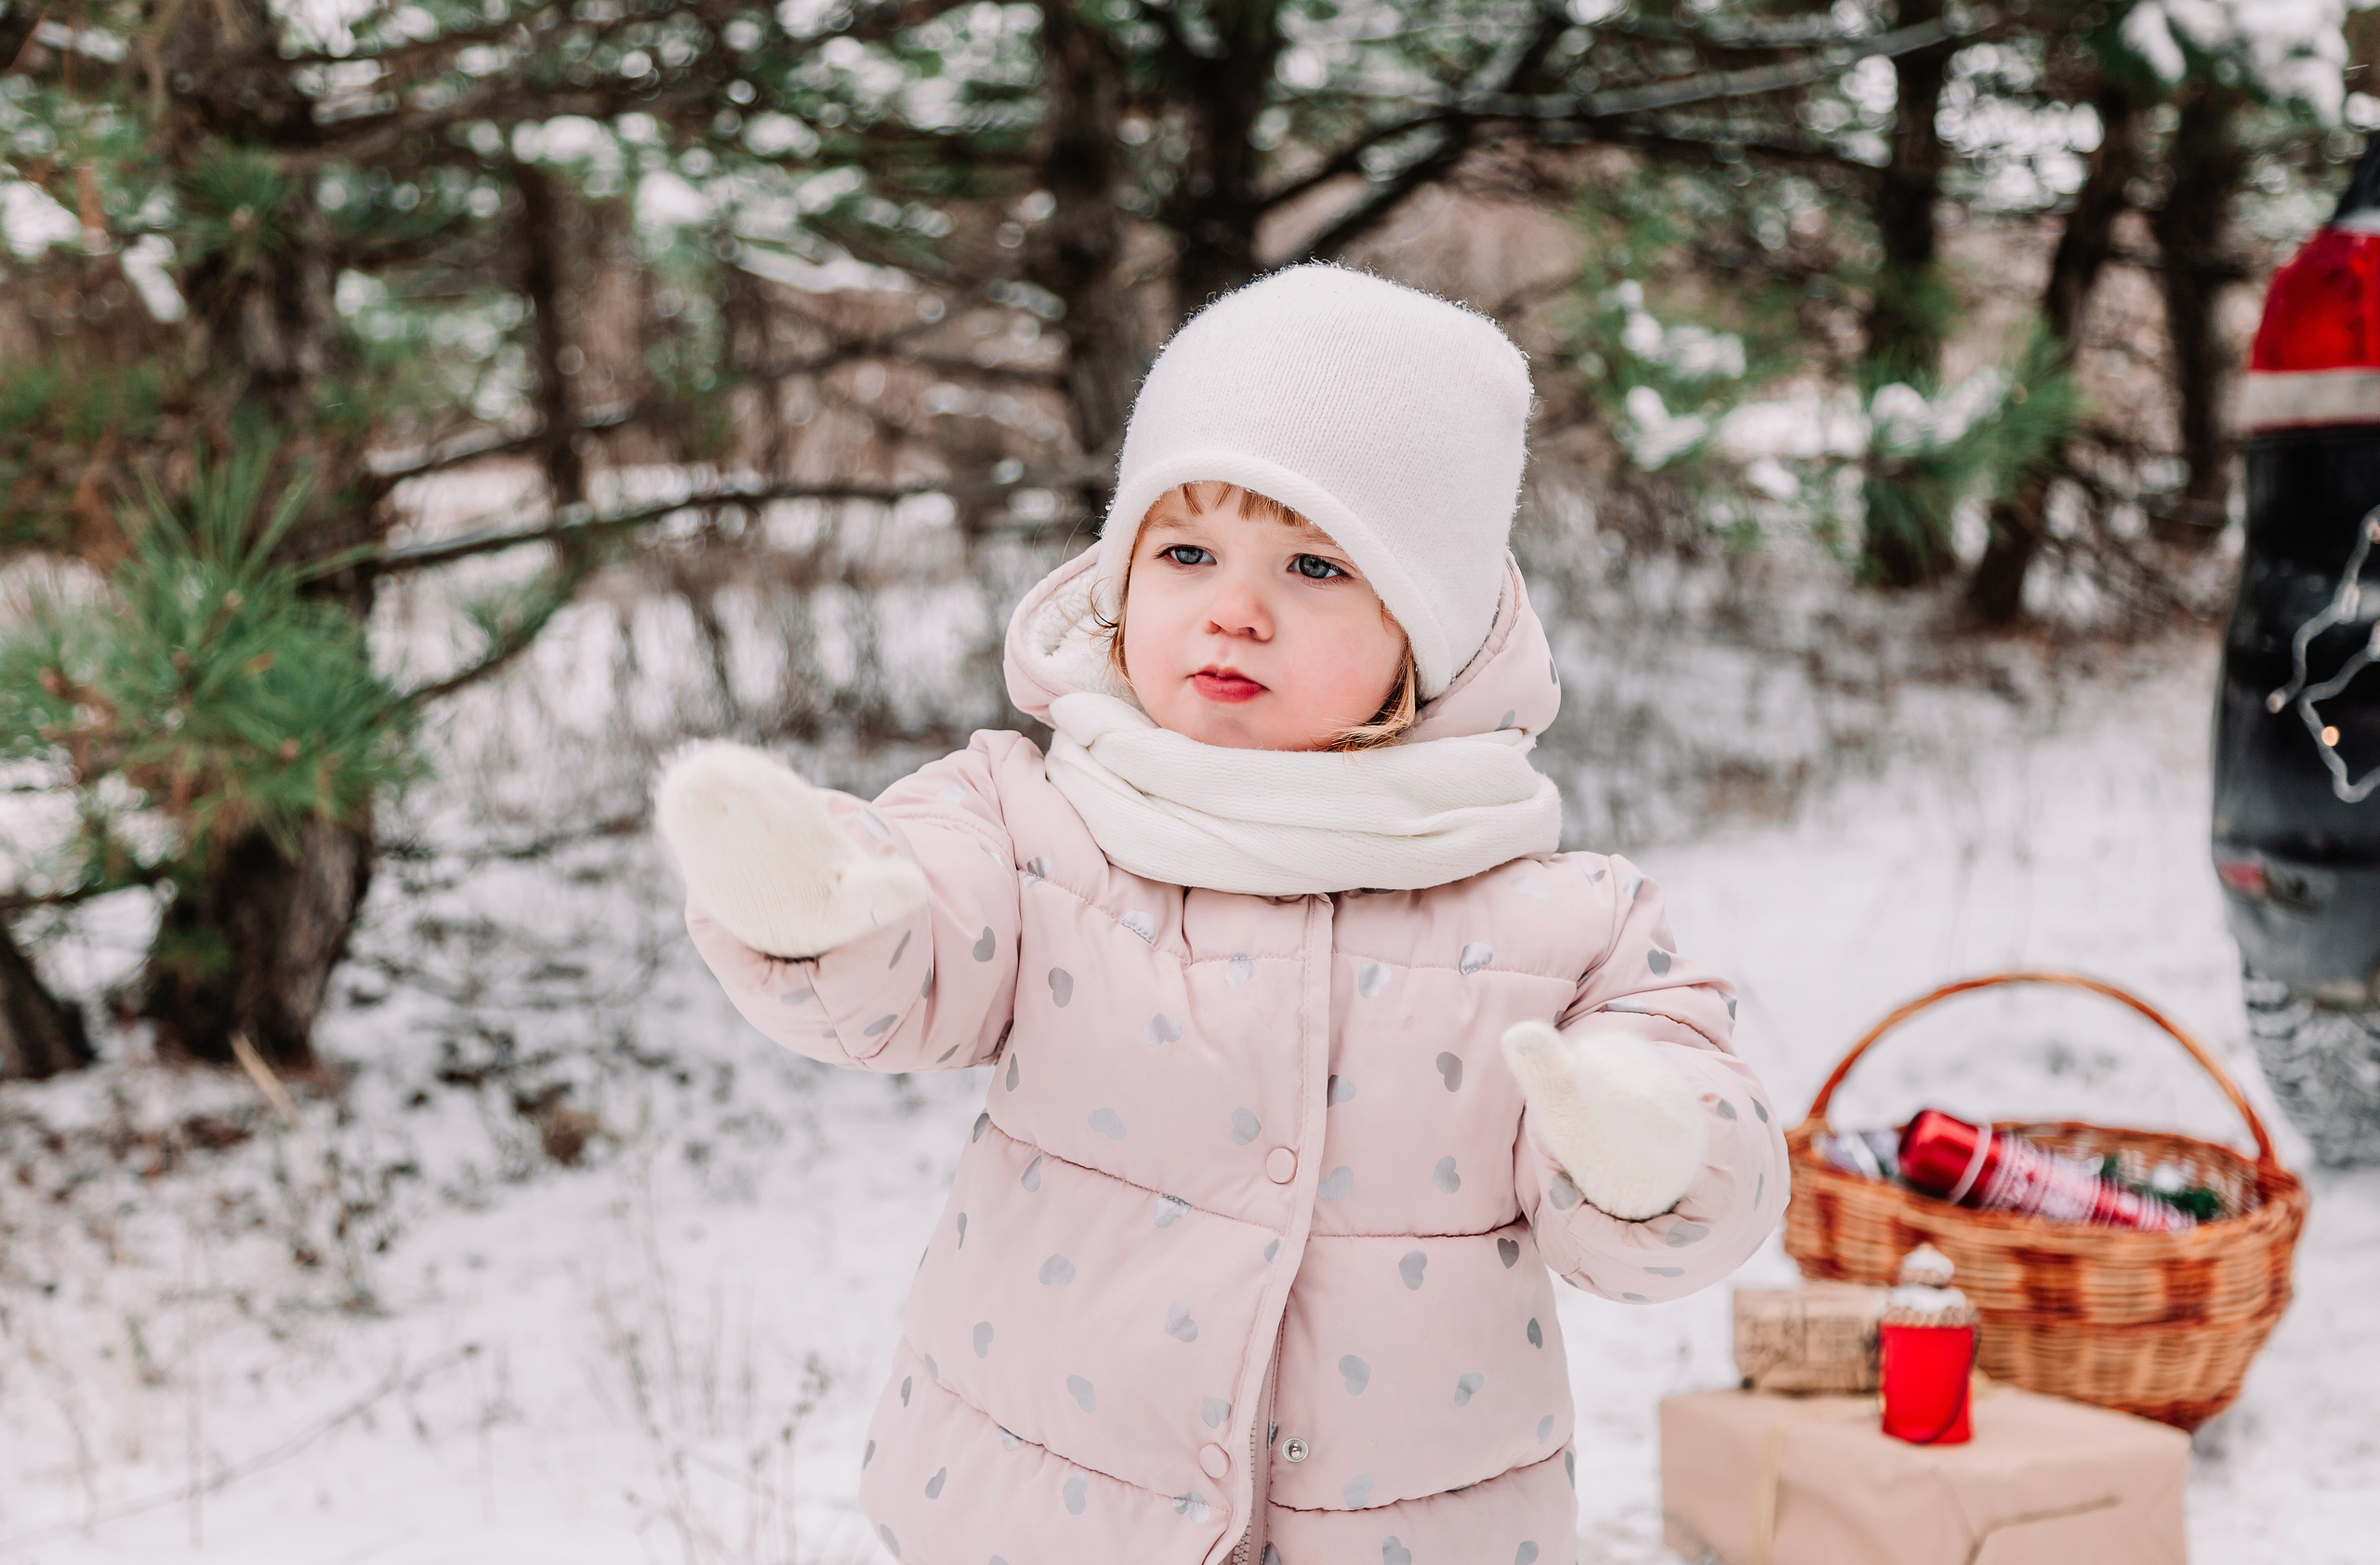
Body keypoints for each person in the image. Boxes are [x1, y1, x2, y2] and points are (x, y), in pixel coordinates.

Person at [655, 264, 1787, 1565]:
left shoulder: (1555, 925)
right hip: (1049, 1518)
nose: (1234, 609)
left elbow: (1695, 1145)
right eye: (1186, 552)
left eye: (1314, 564)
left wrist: (1653, 1153)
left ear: (1429, 628)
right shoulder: (1031, 822)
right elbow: (919, 943)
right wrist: (826, 912)